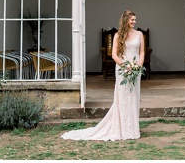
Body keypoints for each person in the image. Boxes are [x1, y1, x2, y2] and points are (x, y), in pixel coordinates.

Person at [62, 10, 145, 141]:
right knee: (123, 98)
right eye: (132, 20)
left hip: (135, 70)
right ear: (126, 20)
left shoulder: (139, 34)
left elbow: (142, 52)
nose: (134, 22)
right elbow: (114, 55)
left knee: (134, 97)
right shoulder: (118, 35)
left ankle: (133, 129)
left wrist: (138, 67)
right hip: (123, 70)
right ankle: (122, 128)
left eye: (135, 19)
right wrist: (126, 66)